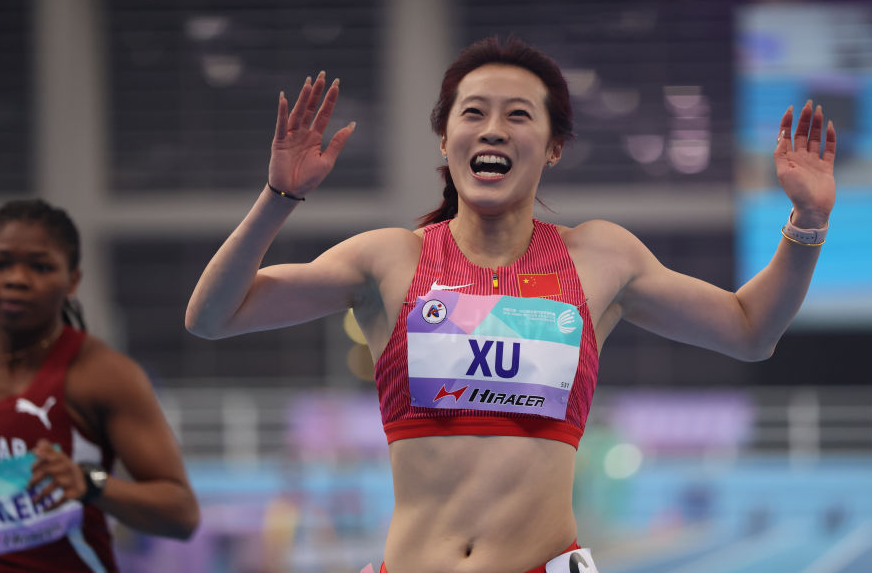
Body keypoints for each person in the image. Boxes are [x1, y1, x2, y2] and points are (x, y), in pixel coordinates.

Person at [185, 36, 837, 573]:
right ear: (444, 139)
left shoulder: (600, 258)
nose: (493, 129)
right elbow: (213, 317)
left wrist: (807, 221)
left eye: (519, 115)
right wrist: (278, 197)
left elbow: (750, 330)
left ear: (554, 146)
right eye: (473, 113)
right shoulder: (389, 260)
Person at [0, 199, 200, 571]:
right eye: (0, 263)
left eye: (40, 266)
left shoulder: (102, 375)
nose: (16, 279)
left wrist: (90, 482)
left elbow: (182, 514)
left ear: (72, 280)